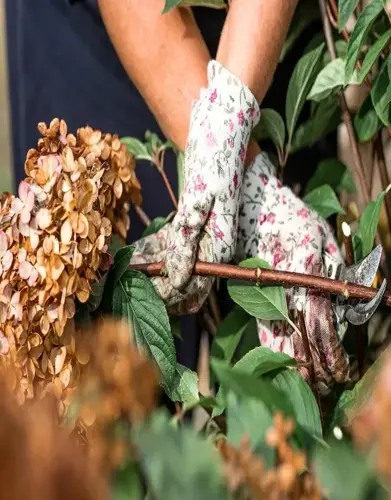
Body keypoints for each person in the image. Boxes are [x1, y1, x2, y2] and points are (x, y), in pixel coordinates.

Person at [5, 0, 347, 390]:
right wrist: (253, 188)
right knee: (107, 385)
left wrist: (229, 118)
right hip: (98, 42)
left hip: (268, 34)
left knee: (279, 397)